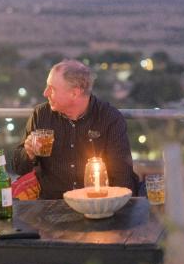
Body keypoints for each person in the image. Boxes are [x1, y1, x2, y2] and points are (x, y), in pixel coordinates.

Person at [13, 59, 138, 199]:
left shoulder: (109, 118)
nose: (45, 93)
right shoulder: (41, 115)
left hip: (95, 203)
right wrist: (28, 153)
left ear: (74, 93)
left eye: (52, 88)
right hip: (52, 206)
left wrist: (112, 210)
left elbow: (122, 176)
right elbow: (18, 168)